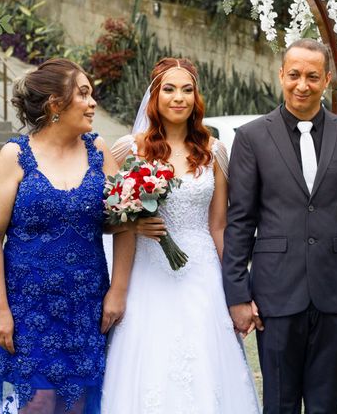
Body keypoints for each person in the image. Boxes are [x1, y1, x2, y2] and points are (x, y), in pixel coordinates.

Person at [223, 39, 337, 414]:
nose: (302, 84)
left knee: (327, 404)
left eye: (312, 76)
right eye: (294, 74)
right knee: (279, 403)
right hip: (276, 294)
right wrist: (237, 295)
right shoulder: (251, 138)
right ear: (281, 75)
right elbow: (240, 222)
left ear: (326, 80)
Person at [100, 58, 260, 413]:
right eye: (169, 89)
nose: (179, 98)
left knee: (205, 364)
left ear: (196, 97)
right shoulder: (130, 148)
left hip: (201, 274)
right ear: (154, 96)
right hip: (146, 274)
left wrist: (239, 290)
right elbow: (102, 215)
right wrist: (132, 224)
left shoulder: (214, 150)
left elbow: (219, 226)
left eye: (187, 90)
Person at [0, 59, 118, 413]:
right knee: (37, 402)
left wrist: (118, 291)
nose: (92, 103)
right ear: (56, 104)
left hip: (86, 306)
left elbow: (126, 224)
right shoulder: (15, 156)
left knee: (78, 402)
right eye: (83, 94)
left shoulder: (98, 150)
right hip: (29, 309)